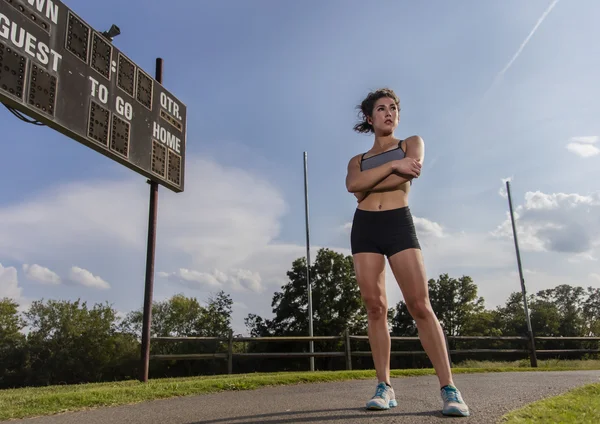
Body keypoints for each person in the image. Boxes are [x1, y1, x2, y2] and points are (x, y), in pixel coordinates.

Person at [345, 88, 470, 417]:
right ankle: (384, 386)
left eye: (393, 108)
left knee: (420, 305)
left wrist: (372, 180)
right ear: (370, 119)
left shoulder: (410, 144)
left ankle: (449, 389)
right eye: (381, 109)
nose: (388, 113)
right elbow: (352, 186)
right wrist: (390, 169)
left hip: (398, 224)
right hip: (365, 229)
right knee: (375, 307)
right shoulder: (355, 161)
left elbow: (409, 170)